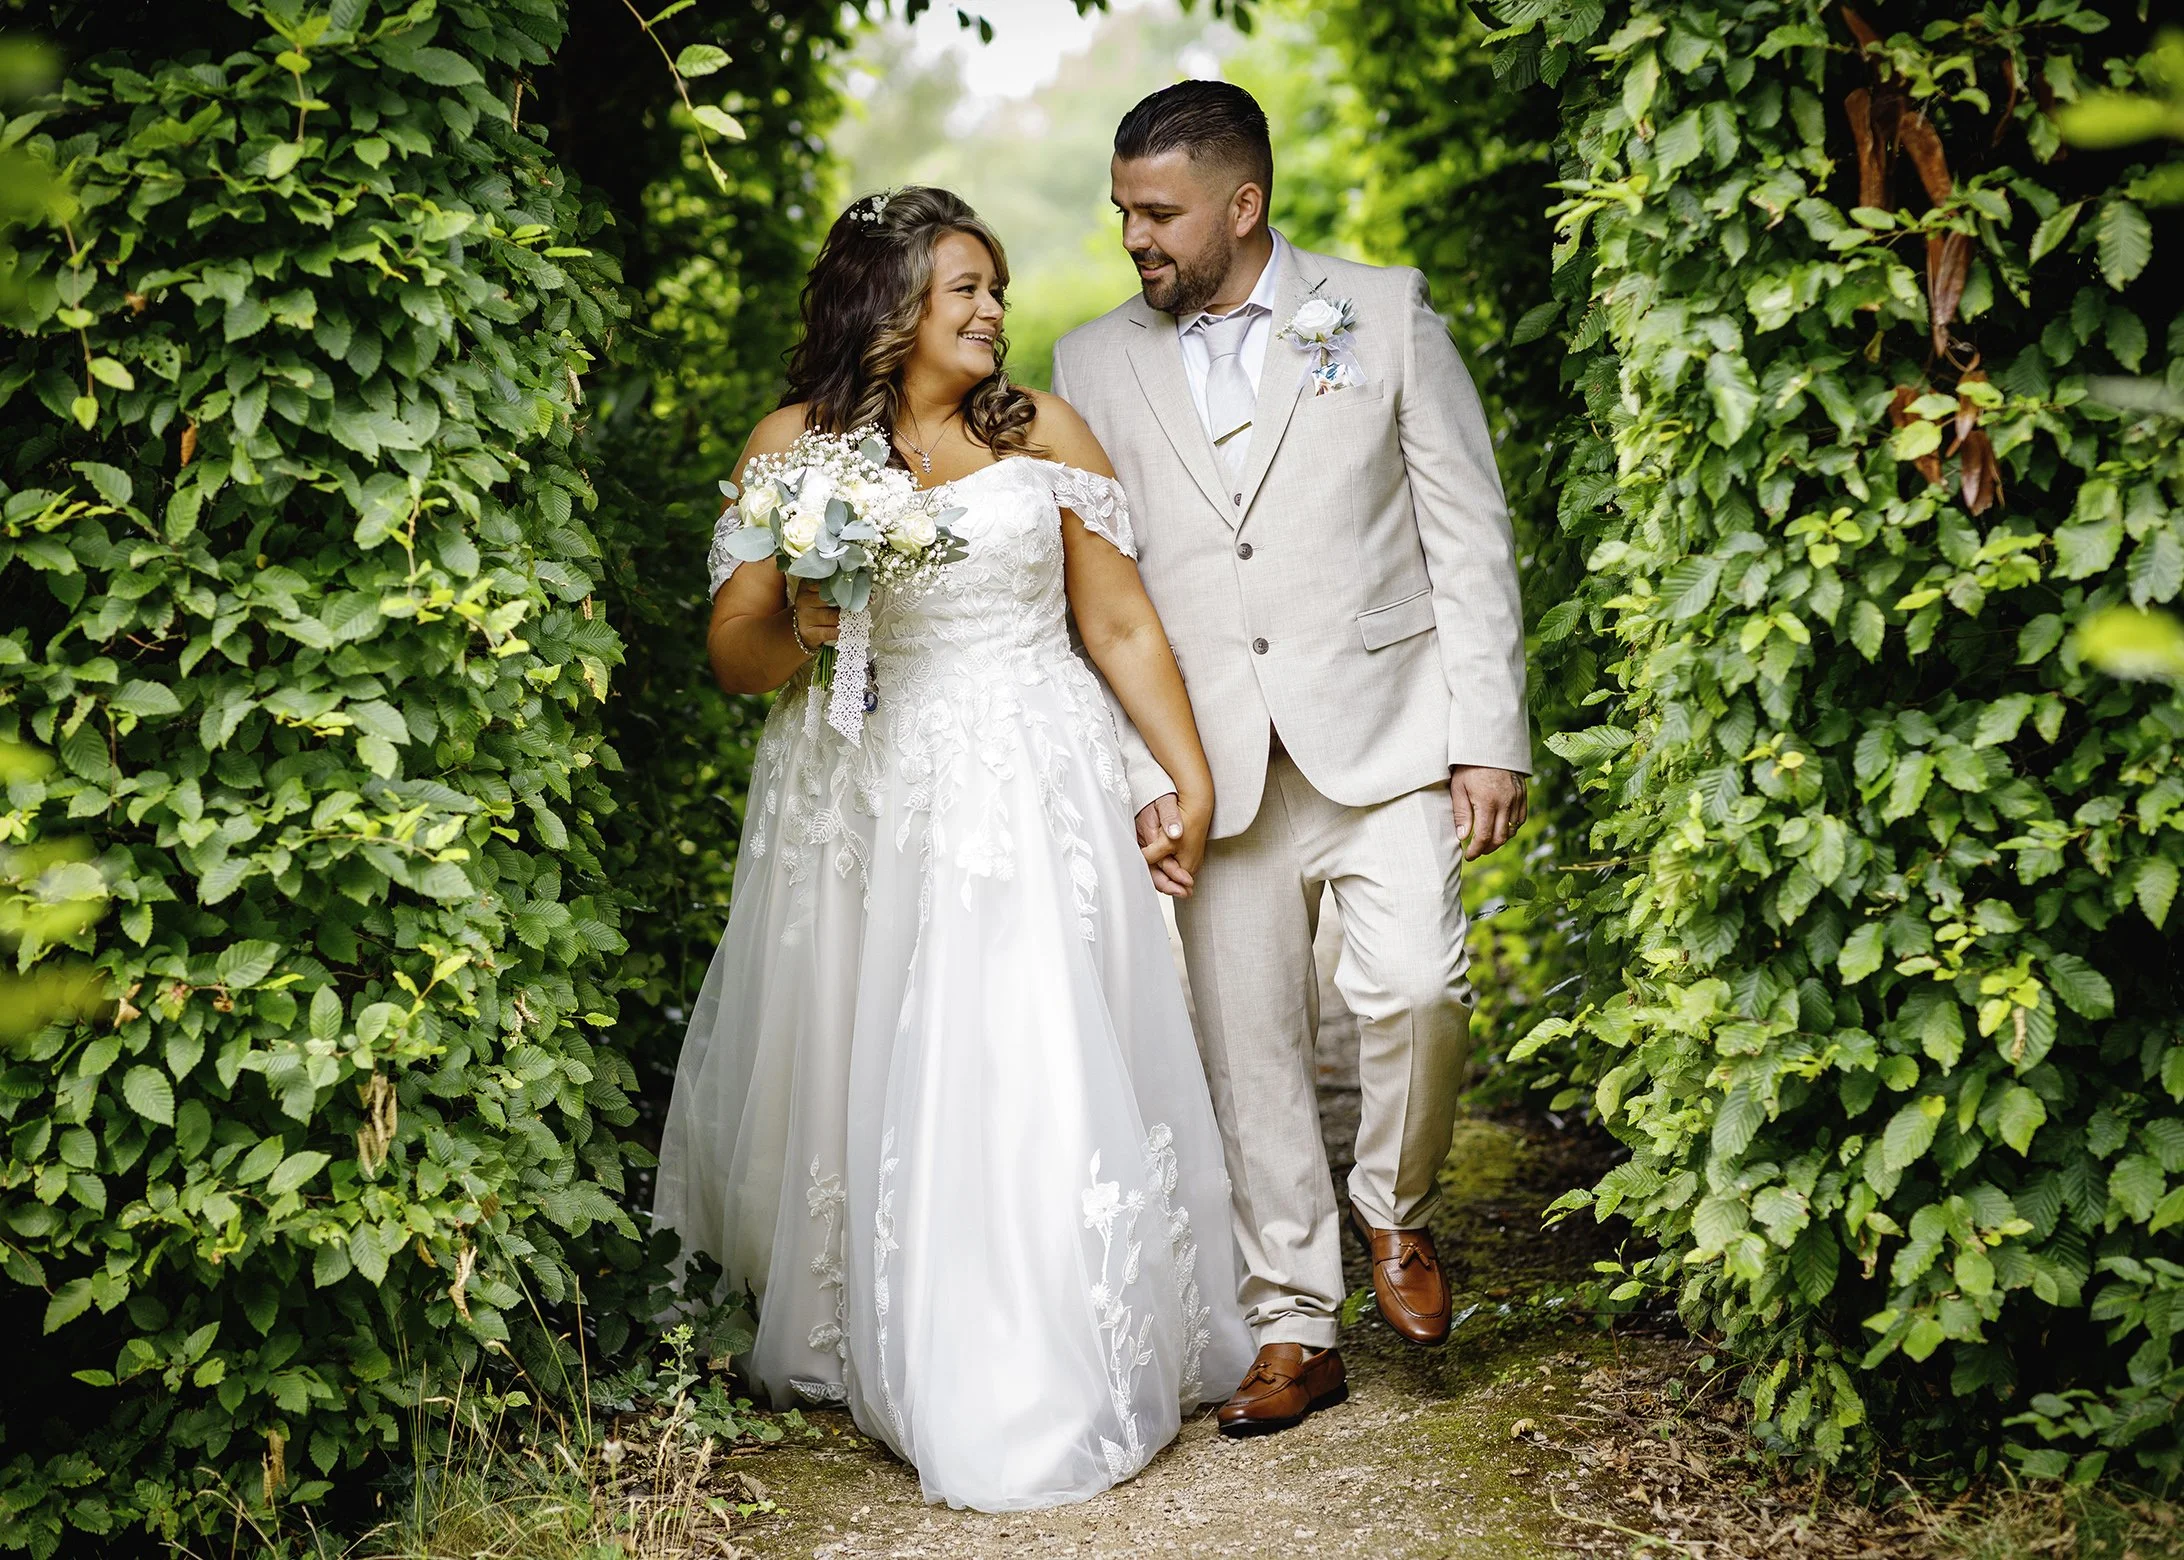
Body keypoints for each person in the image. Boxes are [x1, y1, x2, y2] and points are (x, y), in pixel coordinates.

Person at [651, 186, 1254, 1512]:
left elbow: (1127, 630)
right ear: (890, 304)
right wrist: (810, 613)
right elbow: (736, 655)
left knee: (1028, 1037)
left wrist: (1192, 778)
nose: (993, 312)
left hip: (1034, 772)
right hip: (876, 787)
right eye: (964, 289)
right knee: (893, 1046)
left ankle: (1053, 1333)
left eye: (994, 287)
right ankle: (903, 1313)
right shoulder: (795, 451)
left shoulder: (1041, 430)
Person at [1052, 81, 1532, 1436]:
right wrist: (1145, 771)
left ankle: (1397, 1212)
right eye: (1123, 213)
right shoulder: (1089, 363)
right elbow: (1094, 591)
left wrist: (1486, 733)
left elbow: (1467, 531)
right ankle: (1293, 1324)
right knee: (1246, 1050)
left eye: (1160, 212)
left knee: (1420, 988)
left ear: (1242, 205)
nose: (1135, 237)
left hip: (1387, 737)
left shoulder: (1381, 312)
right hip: (1211, 761)